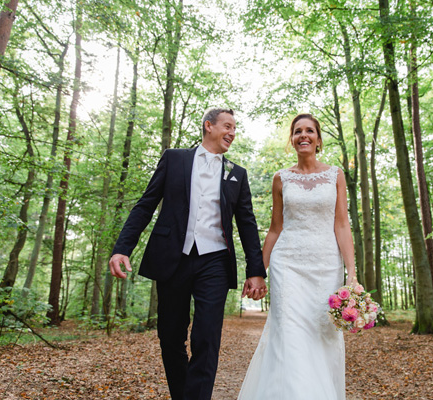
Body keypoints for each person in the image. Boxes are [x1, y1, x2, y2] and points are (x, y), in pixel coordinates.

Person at [109, 108, 268, 400]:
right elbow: (145, 204)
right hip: (173, 258)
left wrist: (255, 270)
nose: (233, 133)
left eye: (235, 128)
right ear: (209, 126)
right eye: (227, 126)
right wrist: (122, 249)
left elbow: (247, 223)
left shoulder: (237, 173)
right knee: (170, 337)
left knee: (206, 338)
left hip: (216, 261)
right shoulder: (175, 159)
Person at [238, 113, 357, 400]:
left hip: (326, 266)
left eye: (310, 131)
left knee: (322, 337)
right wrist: (257, 272)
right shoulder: (281, 178)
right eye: (298, 131)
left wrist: (351, 275)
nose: (304, 135)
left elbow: (341, 224)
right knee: (289, 336)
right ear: (292, 140)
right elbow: (275, 228)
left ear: (318, 140)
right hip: (287, 265)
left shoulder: (335, 175)